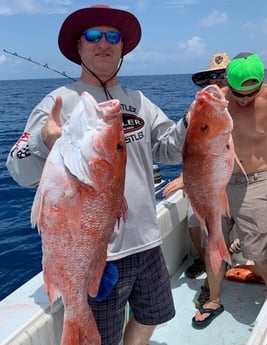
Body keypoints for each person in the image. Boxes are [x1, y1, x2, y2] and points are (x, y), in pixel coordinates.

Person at [6, 5, 188, 345]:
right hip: (96, 254)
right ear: (79, 47)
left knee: (153, 318)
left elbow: (170, 149)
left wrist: (193, 122)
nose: (103, 43)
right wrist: (45, 142)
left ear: (122, 48)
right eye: (93, 36)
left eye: (113, 37)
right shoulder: (56, 103)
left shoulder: (137, 101)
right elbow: (17, 169)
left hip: (147, 242)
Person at [192, 52, 267, 329]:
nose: (244, 99)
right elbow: (194, 146)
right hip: (217, 181)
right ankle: (213, 298)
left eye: (252, 93)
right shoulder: (214, 102)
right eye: (238, 93)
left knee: (257, 251)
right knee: (213, 242)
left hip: (258, 181)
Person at [163, 52, 230, 306]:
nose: (217, 83)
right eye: (212, 78)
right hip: (208, 178)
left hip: (236, 180)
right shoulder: (201, 109)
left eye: (223, 77)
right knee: (193, 220)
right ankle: (206, 258)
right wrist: (184, 178)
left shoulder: (242, 102)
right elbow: (194, 150)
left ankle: (222, 259)